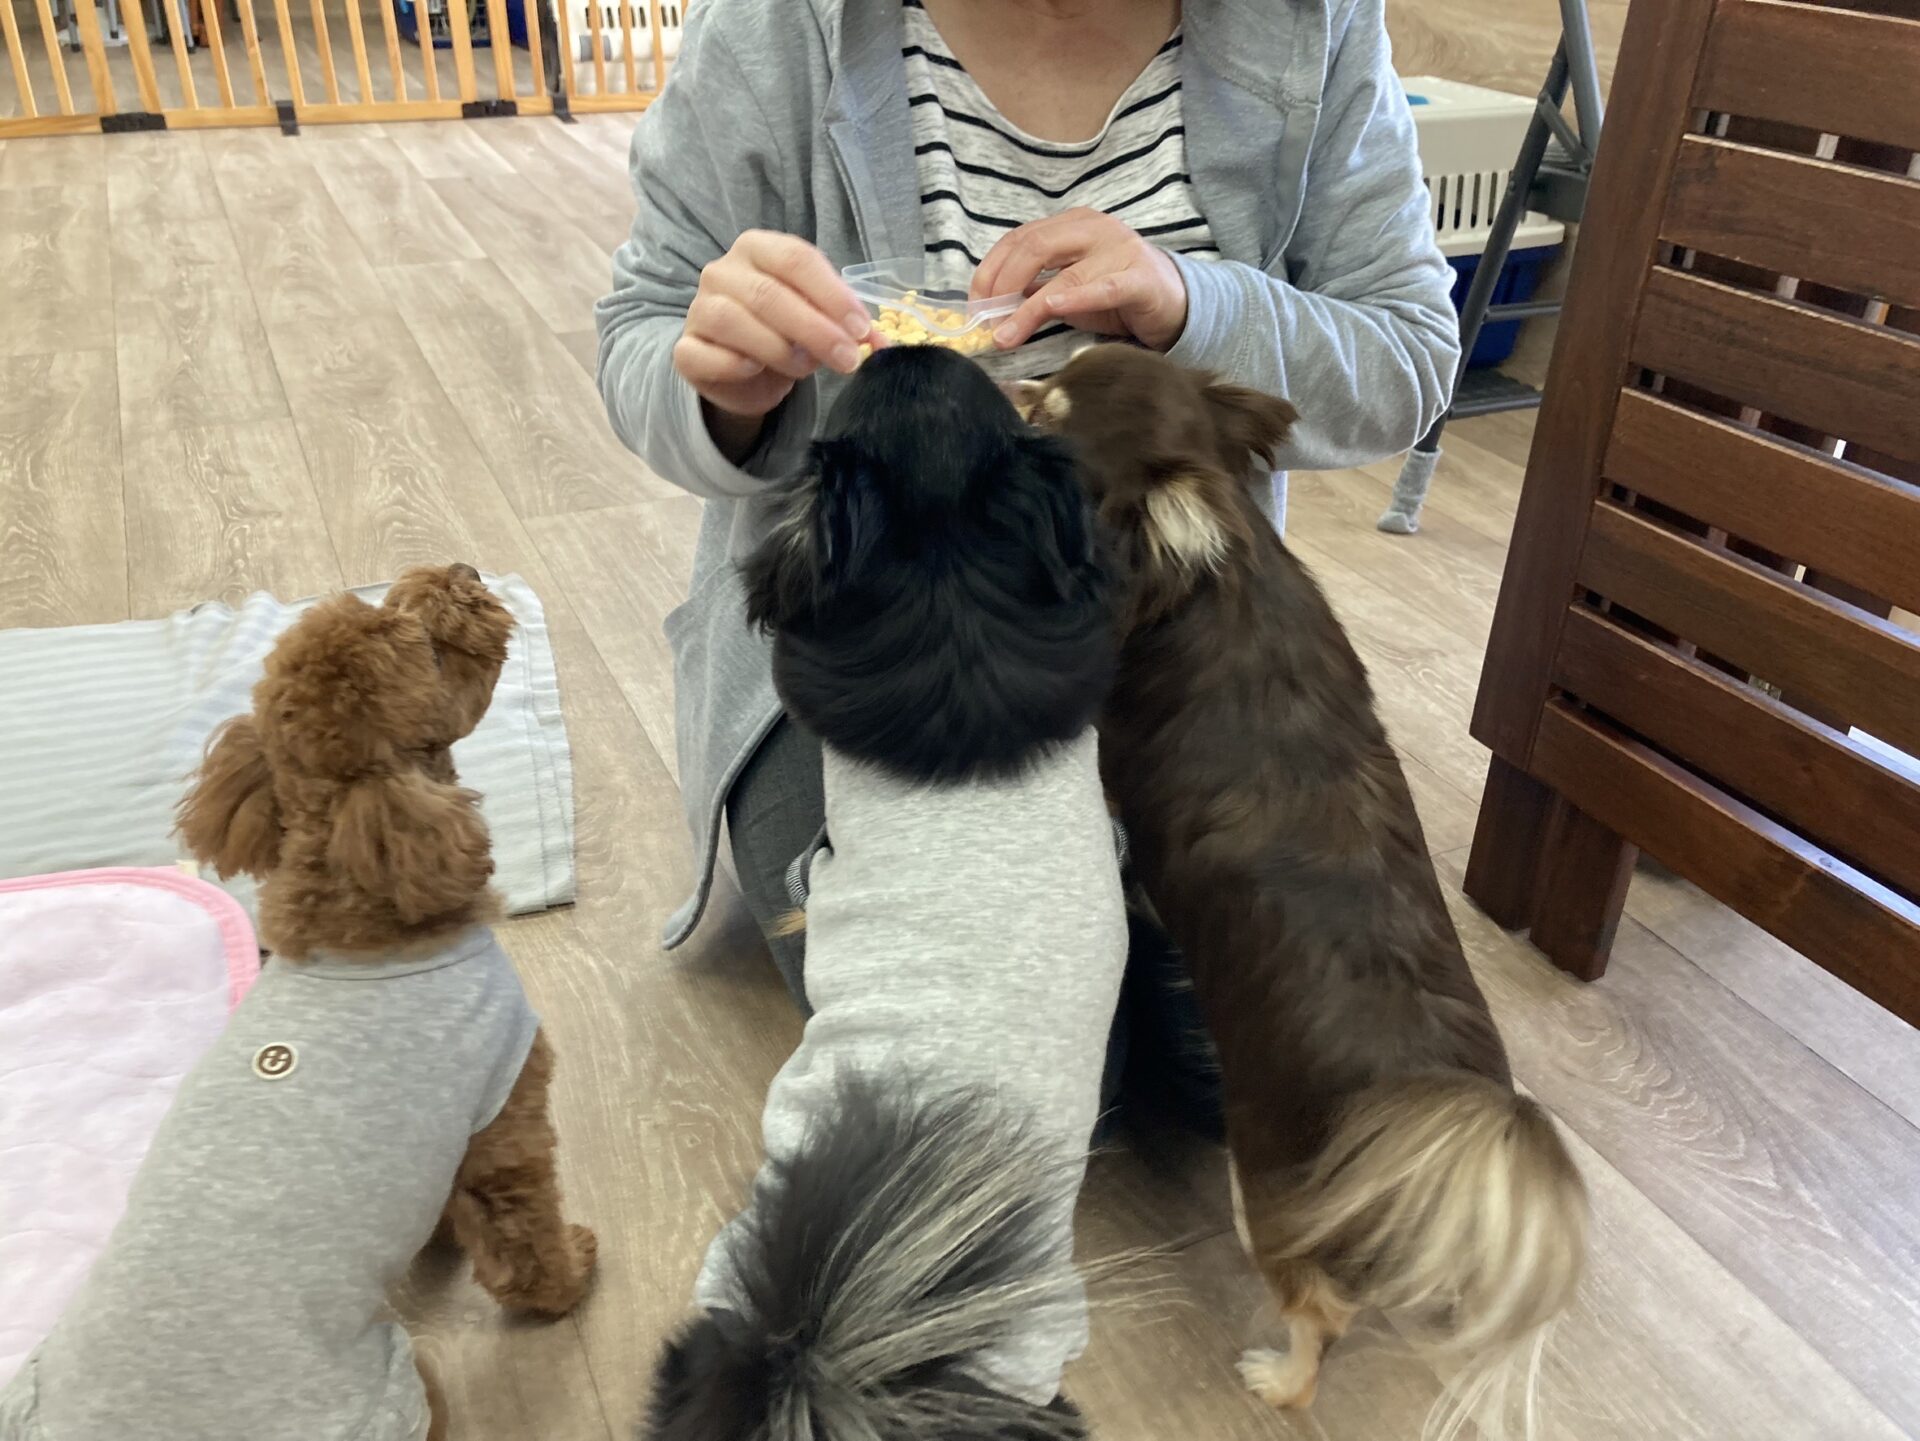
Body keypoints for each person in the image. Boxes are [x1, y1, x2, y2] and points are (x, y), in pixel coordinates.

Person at [595, 0, 1461, 1134]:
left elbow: (1408, 354)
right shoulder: (776, 29)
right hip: (883, 640)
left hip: (1173, 646)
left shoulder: (1314, 24)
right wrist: (723, 389)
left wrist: (1192, 302)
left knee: (1256, 1068)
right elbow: (642, 331)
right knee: (1000, 1073)